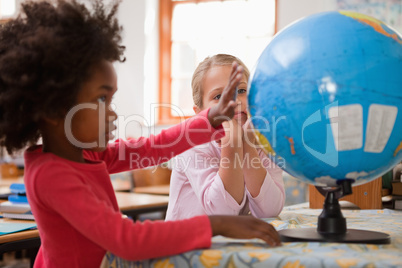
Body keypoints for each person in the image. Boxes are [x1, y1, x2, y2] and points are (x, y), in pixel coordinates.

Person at [0, 1, 281, 267]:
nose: (113, 114)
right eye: (101, 100)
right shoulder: (51, 174)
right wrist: (216, 224)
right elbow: (128, 240)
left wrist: (210, 118)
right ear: (54, 109)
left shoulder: (87, 154)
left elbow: (153, 147)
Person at [166, 54, 285, 221]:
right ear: (200, 113)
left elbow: (270, 210)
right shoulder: (193, 145)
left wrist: (248, 145)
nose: (234, 102)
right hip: (184, 242)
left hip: (227, 242)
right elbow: (222, 213)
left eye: (241, 91)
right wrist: (233, 144)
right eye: (218, 96)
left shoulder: (262, 139)